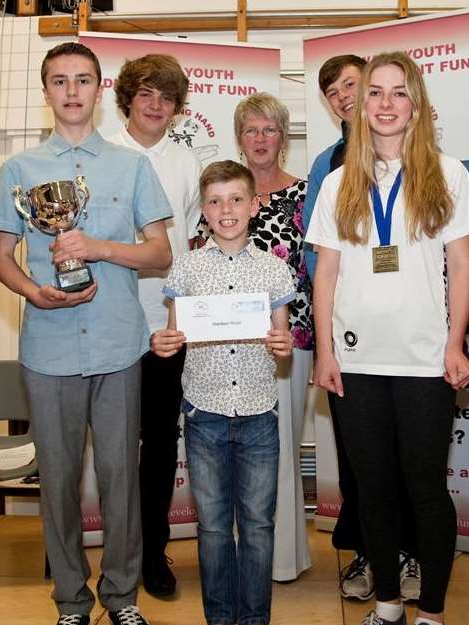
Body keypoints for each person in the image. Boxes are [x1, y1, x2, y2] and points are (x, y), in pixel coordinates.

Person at [0, 42, 172, 625]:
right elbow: (0, 257)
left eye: (83, 80)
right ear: (46, 92)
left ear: (100, 89)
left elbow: (160, 253)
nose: (72, 91)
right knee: (59, 482)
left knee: (121, 481)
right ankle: (70, 600)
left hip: (119, 345)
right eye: (60, 81)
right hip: (49, 346)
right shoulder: (19, 170)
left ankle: (121, 597)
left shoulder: (133, 165)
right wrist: (32, 291)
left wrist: (99, 248)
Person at [307, 51, 469, 625]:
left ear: (416, 105)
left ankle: (430, 612)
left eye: (398, 92)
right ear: (360, 107)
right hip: (356, 362)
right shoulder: (338, 182)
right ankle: (387, 605)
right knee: (375, 492)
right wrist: (326, 354)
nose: (385, 104)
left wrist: (455, 345)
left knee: (426, 491)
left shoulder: (449, 174)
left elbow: (462, 268)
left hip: (425, 361)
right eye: (375, 93)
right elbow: (326, 273)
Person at [151, 159, 295, 625]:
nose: (226, 209)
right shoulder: (187, 268)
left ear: (254, 205)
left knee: (257, 526)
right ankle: (219, 618)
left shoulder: (274, 271)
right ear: (204, 211)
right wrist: (164, 342)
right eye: (214, 201)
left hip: (258, 413)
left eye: (235, 199)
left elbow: (282, 339)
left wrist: (283, 344)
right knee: (212, 527)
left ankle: (254, 620)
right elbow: (173, 337)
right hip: (204, 414)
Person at [303, 53, 421, 603]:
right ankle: (369, 557)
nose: (347, 97)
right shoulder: (327, 167)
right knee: (358, 464)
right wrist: (330, 328)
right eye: (335, 92)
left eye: (356, 85)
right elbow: (315, 259)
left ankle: (409, 555)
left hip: (411, 339)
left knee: (410, 460)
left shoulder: (425, 161)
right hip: (351, 337)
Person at [196, 92, 312, 582]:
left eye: (269, 129)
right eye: (251, 130)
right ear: (239, 138)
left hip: (289, 340)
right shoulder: (224, 195)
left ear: (283, 137)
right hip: (222, 349)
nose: (260, 139)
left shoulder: (306, 194)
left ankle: (282, 559)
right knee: (231, 460)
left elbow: (319, 267)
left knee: (280, 446)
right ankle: (235, 564)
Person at [111, 52, 203, 598]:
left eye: (166, 98)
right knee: (116, 448)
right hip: (108, 325)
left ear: (177, 108)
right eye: (145, 94)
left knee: (161, 448)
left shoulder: (186, 163)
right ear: (128, 97)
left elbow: (186, 251)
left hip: (165, 329)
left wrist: (175, 318)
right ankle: (118, 554)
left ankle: (152, 552)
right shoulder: (99, 154)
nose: (155, 105)